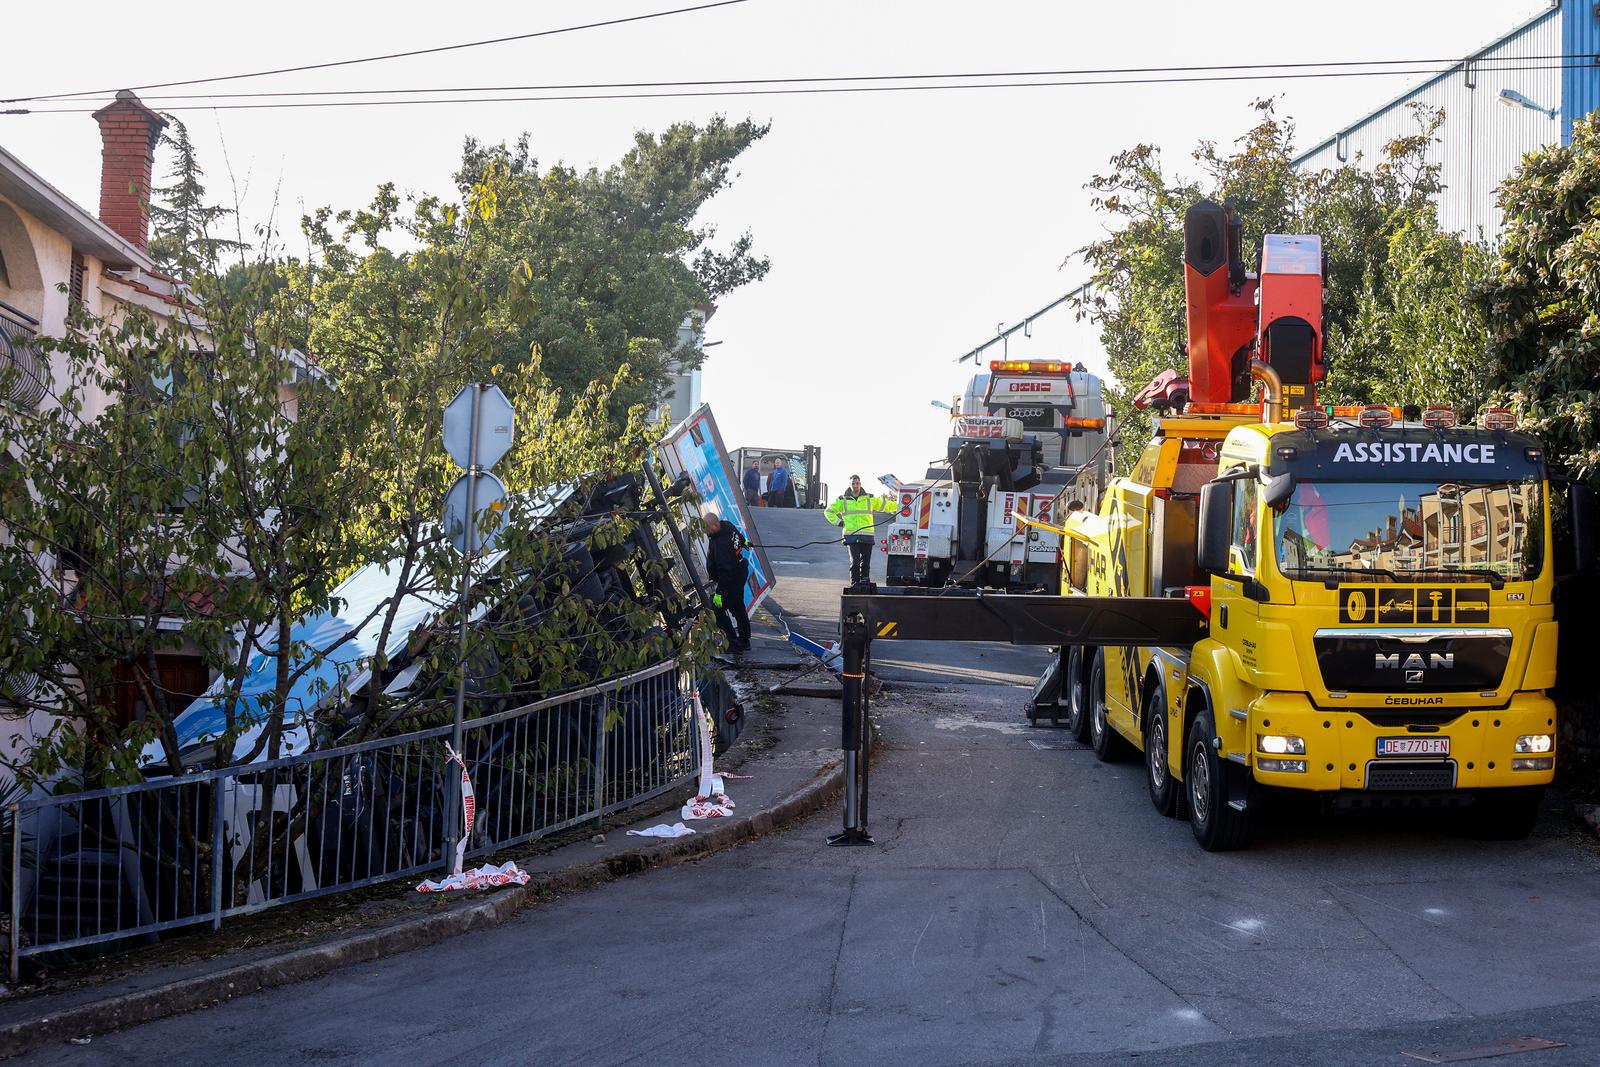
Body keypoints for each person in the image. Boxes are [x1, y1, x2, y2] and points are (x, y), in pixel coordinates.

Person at [824, 475, 897, 588]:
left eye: (857, 483)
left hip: (867, 536)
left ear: (860, 484)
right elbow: (828, 512)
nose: (855, 485)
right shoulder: (842, 500)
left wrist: (901, 506)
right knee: (855, 563)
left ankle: (865, 583)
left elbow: (885, 506)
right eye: (853, 483)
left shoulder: (869, 499)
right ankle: (855, 584)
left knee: (866, 563)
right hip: (851, 536)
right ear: (850, 485)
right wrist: (838, 522)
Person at [702, 511, 751, 652]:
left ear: (715, 525)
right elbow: (738, 536)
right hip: (739, 571)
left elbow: (725, 571)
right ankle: (744, 640)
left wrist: (719, 593)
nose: (706, 532)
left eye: (707, 528)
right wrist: (744, 542)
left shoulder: (720, 543)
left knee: (717, 610)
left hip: (732, 578)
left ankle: (733, 642)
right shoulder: (727, 525)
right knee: (738, 606)